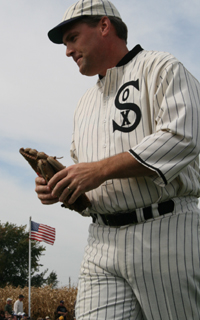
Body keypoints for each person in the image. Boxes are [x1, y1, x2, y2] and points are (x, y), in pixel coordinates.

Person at [35, 0, 200, 319]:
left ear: (104, 26)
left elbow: (184, 136)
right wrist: (61, 185)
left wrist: (101, 169)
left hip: (164, 231)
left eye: (72, 37)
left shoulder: (161, 67)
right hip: (101, 240)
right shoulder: (84, 104)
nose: (68, 50)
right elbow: (90, 178)